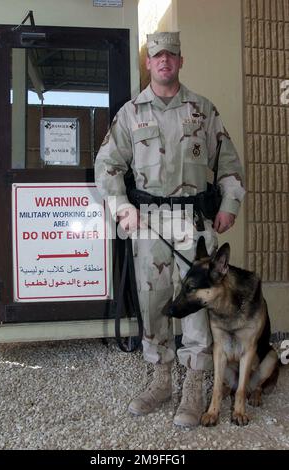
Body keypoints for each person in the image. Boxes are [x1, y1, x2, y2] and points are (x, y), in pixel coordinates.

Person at [95, 31, 245, 427]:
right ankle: (161, 379)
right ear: (149, 62)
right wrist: (122, 208)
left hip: (194, 228)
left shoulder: (202, 110)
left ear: (181, 61)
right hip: (147, 228)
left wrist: (229, 206)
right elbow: (107, 166)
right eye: (157, 55)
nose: (164, 61)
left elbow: (229, 163)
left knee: (195, 307)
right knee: (153, 303)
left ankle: (193, 389)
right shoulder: (130, 113)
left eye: (171, 56)